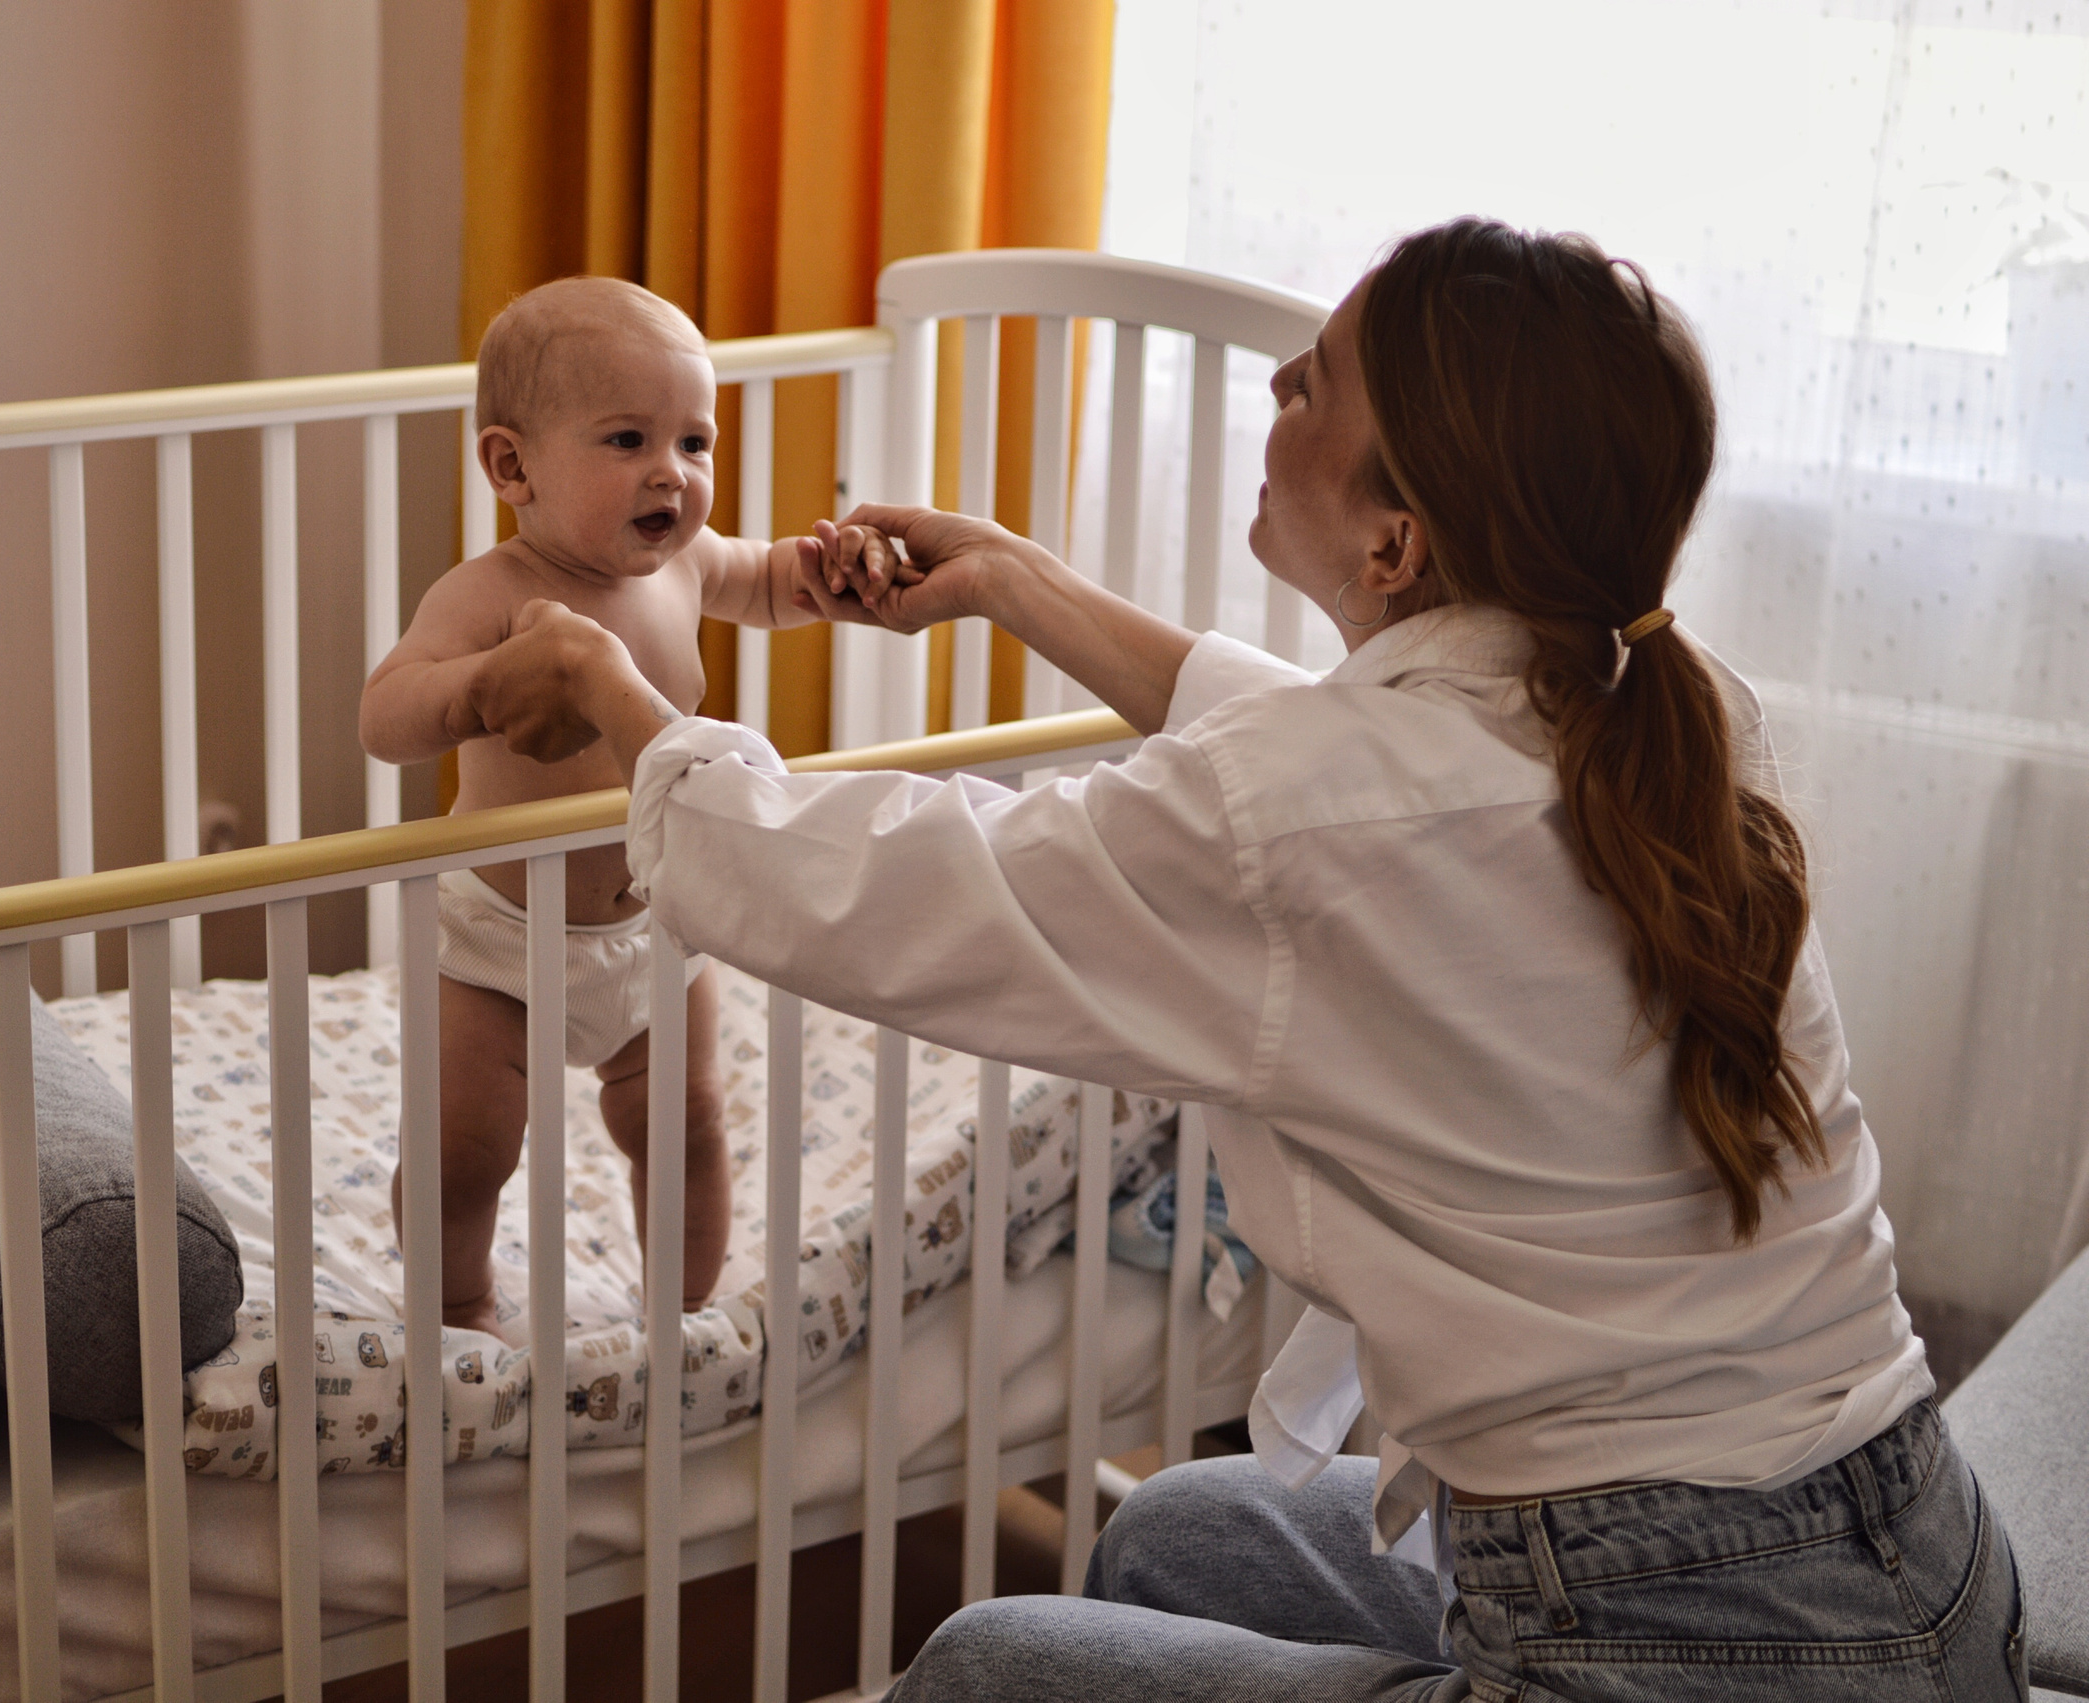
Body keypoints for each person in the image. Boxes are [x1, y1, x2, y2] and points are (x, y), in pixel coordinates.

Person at [453, 220, 2027, 1699]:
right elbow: (1317, 761)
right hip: (1917, 1544)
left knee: (989, 1663)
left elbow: (867, 886)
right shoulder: (1664, 709)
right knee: (1173, 1534)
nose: (1279, 388)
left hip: (1678, 1637)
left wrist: (617, 692)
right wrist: (1011, 574)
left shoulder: (1317, 814)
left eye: (1314, 381)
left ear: (1399, 539)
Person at [359, 276, 903, 1338]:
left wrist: (834, 570)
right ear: (511, 465)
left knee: (688, 1124)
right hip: (498, 941)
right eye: (626, 440)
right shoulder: (487, 594)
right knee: (465, 1147)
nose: (673, 474)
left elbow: (768, 578)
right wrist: (476, 687)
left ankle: (684, 1314)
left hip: (657, 920)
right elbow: (384, 715)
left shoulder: (684, 563)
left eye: (693, 443)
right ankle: (457, 1301)